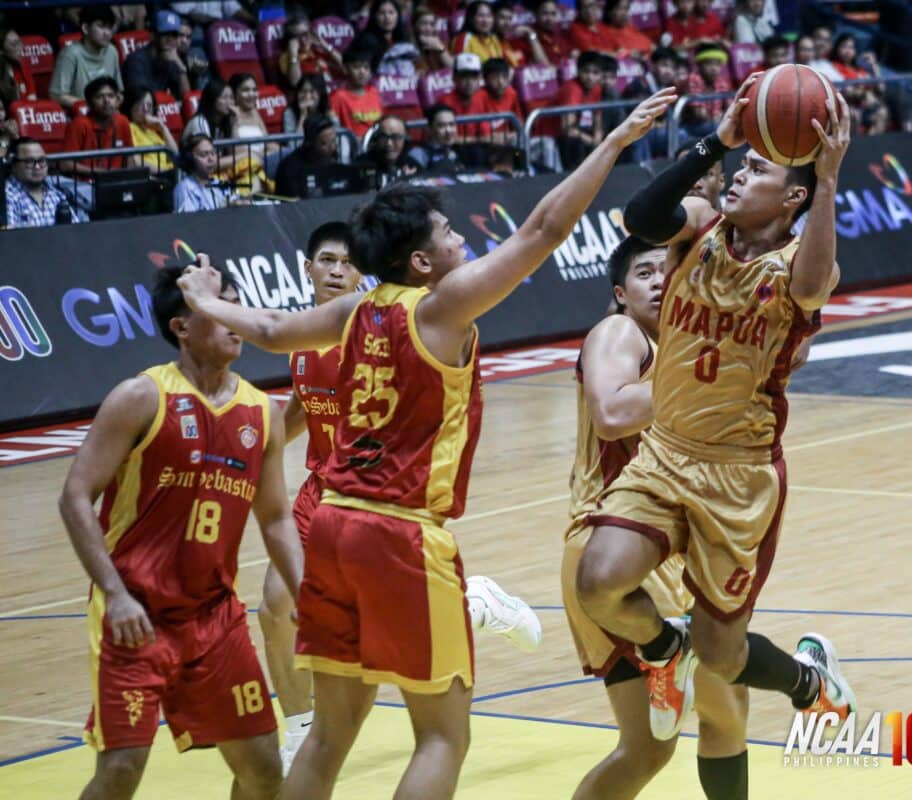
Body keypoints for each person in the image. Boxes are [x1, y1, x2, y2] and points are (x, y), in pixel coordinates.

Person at [175, 88, 677, 800]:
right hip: (400, 533)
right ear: (420, 261)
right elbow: (541, 229)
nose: (461, 240)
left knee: (328, 732)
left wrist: (202, 301)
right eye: (448, 235)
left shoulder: (355, 308)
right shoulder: (442, 308)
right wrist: (615, 142)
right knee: (444, 734)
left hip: (333, 524)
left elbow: (275, 328)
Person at [575, 76, 856, 796]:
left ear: (791, 197)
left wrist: (826, 182)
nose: (739, 173)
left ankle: (805, 681)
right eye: (742, 163)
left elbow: (819, 278)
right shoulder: (698, 223)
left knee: (724, 658)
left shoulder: (795, 263)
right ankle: (664, 652)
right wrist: (718, 138)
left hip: (738, 475)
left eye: (760, 169)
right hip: (666, 453)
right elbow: (641, 213)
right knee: (599, 583)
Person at [260, 222, 544, 773]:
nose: (337, 270)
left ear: (363, 270)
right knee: (275, 607)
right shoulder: (306, 337)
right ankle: (298, 728)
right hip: (320, 491)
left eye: (346, 261)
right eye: (326, 260)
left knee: (364, 621)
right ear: (308, 270)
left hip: (372, 492)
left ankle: (474, 603)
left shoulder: (376, 329)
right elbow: (303, 409)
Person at [59, 263, 305, 800]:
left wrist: (306, 593)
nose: (234, 320)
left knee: (264, 769)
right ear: (182, 327)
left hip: (215, 617)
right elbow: (75, 496)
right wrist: (115, 595)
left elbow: (276, 518)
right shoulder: (140, 397)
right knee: (121, 770)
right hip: (137, 616)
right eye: (219, 308)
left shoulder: (262, 413)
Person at [563, 236, 750, 800]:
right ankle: (810, 681)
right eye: (644, 273)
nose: (660, 279)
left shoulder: (684, 350)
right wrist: (704, 376)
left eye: (669, 269)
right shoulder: (621, 334)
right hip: (617, 551)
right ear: (620, 294)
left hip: (646, 553)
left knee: (647, 747)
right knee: (728, 707)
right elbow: (613, 412)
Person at [59, 76, 134, 182]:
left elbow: (129, 158)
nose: (107, 101)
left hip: (117, 183)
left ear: (117, 100)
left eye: (111, 96)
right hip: (85, 184)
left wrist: (129, 181)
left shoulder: (123, 121)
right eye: (99, 97)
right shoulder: (79, 124)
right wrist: (100, 173)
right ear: (89, 103)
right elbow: (65, 164)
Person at [50, 5, 123, 111]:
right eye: (101, 26)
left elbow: (118, 91)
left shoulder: (112, 51)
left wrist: (117, 99)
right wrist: (91, 105)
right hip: (80, 116)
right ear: (85, 28)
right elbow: (56, 95)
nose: (107, 33)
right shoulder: (70, 54)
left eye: (109, 27)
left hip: (108, 114)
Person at [5, 137, 86, 227]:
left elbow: (74, 232)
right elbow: (10, 239)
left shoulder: (57, 195)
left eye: (42, 161)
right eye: (29, 162)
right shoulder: (6, 197)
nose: (37, 167)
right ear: (13, 165)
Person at [123, 10, 191, 99]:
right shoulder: (136, 61)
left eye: (174, 35)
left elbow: (185, 98)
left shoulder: (172, 59)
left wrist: (181, 67)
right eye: (165, 34)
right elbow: (142, 100)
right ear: (153, 35)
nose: (170, 39)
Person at [555, 51, 606, 169]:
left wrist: (598, 138)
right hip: (553, 136)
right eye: (586, 71)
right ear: (578, 71)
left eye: (595, 73)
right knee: (575, 143)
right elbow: (568, 129)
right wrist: (590, 140)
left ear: (601, 75)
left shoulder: (597, 89)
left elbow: (598, 120)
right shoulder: (572, 89)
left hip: (580, 131)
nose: (590, 77)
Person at [273, 114, 339, 199]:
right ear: (310, 142)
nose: (332, 148)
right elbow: (295, 201)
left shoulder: (330, 158)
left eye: (333, 141)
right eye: (323, 144)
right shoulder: (290, 168)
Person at [174, 133, 241, 212]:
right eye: (204, 155)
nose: (211, 159)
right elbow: (189, 222)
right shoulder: (185, 188)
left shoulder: (220, 184)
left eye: (213, 153)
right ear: (190, 159)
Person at [280, 11, 344, 89]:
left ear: (311, 33)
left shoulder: (319, 50)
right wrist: (294, 54)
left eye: (305, 34)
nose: (303, 40)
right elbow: (295, 82)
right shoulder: (286, 58)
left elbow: (344, 66)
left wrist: (324, 45)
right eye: (296, 37)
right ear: (290, 40)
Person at [124, 86, 179, 174]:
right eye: (141, 104)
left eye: (149, 105)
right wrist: (164, 172)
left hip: (168, 176)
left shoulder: (153, 132)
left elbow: (175, 156)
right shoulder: (128, 128)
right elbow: (135, 162)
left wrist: (163, 128)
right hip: (152, 179)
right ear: (131, 105)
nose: (146, 109)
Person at [330, 50, 383, 139]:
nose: (362, 72)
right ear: (345, 69)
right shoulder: (337, 97)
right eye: (357, 67)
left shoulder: (375, 92)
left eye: (366, 67)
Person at [437, 53, 490, 140]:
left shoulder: (483, 96)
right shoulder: (445, 102)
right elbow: (447, 139)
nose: (469, 82)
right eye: (464, 76)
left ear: (480, 78)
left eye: (474, 77)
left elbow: (486, 135)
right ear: (454, 78)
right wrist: (476, 141)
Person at [683, 45, 732, 138]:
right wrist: (720, 117)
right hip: (692, 126)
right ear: (699, 65)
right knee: (722, 129)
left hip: (714, 123)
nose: (714, 68)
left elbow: (730, 110)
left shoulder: (721, 81)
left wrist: (723, 116)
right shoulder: (693, 79)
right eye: (709, 64)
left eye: (717, 64)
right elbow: (699, 114)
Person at [356, 114, 418, 187]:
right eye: (383, 137)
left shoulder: (413, 166)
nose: (389, 144)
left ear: (405, 140)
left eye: (396, 137)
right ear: (376, 139)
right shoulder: (359, 167)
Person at [514, 0, 570, 67]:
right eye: (545, 13)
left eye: (553, 14)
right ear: (536, 14)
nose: (550, 18)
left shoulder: (559, 33)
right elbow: (543, 65)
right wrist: (531, 35)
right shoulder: (528, 36)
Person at [0, 26, 36, 106]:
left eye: (20, 42)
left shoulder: (24, 67)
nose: (20, 47)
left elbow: (32, 99)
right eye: (14, 44)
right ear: (1, 50)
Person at [411, 7, 454, 73]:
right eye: (424, 23)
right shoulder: (408, 47)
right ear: (415, 25)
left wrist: (440, 49)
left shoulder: (439, 42)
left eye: (432, 24)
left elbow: (453, 68)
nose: (428, 28)